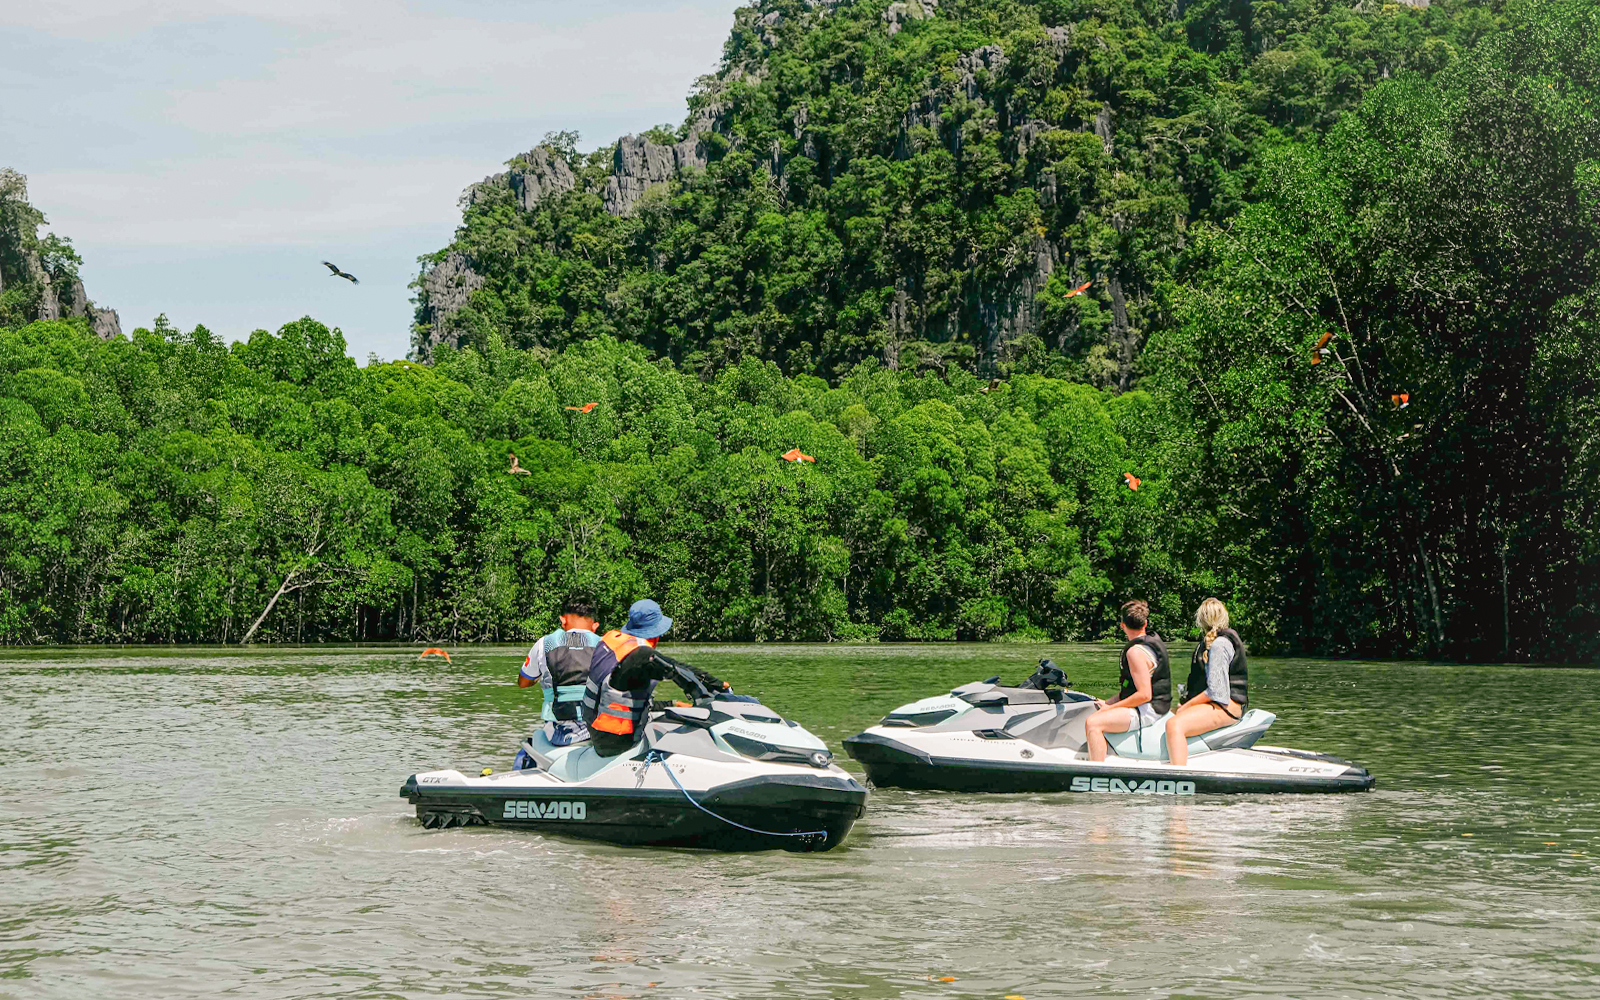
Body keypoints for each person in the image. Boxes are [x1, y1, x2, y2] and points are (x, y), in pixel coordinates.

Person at [581, 599, 733, 757]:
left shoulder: (610, 641)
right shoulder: (641, 656)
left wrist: (673, 704)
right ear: (657, 633)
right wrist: (713, 688)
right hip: (617, 743)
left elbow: (619, 698)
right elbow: (677, 670)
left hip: (596, 731)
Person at [513, 600, 603, 762]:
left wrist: (539, 678)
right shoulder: (605, 645)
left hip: (558, 733)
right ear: (594, 625)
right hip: (597, 729)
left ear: (563, 620)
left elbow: (523, 683)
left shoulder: (544, 644)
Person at [1083, 600, 1171, 761]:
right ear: (1145, 623)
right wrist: (1108, 703)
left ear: (1122, 625)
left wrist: (1111, 709)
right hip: (1158, 704)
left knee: (1093, 723)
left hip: (1150, 709)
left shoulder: (1135, 652)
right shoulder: (1151, 642)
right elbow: (1131, 689)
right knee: (1096, 709)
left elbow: (1144, 695)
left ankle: (1097, 772)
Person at [1165, 597, 1248, 766]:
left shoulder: (1220, 645)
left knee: (1174, 725)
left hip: (1227, 706)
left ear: (1200, 620)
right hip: (1217, 704)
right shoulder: (1206, 644)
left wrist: (1186, 707)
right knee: (1164, 715)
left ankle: (1179, 776)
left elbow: (1218, 693)